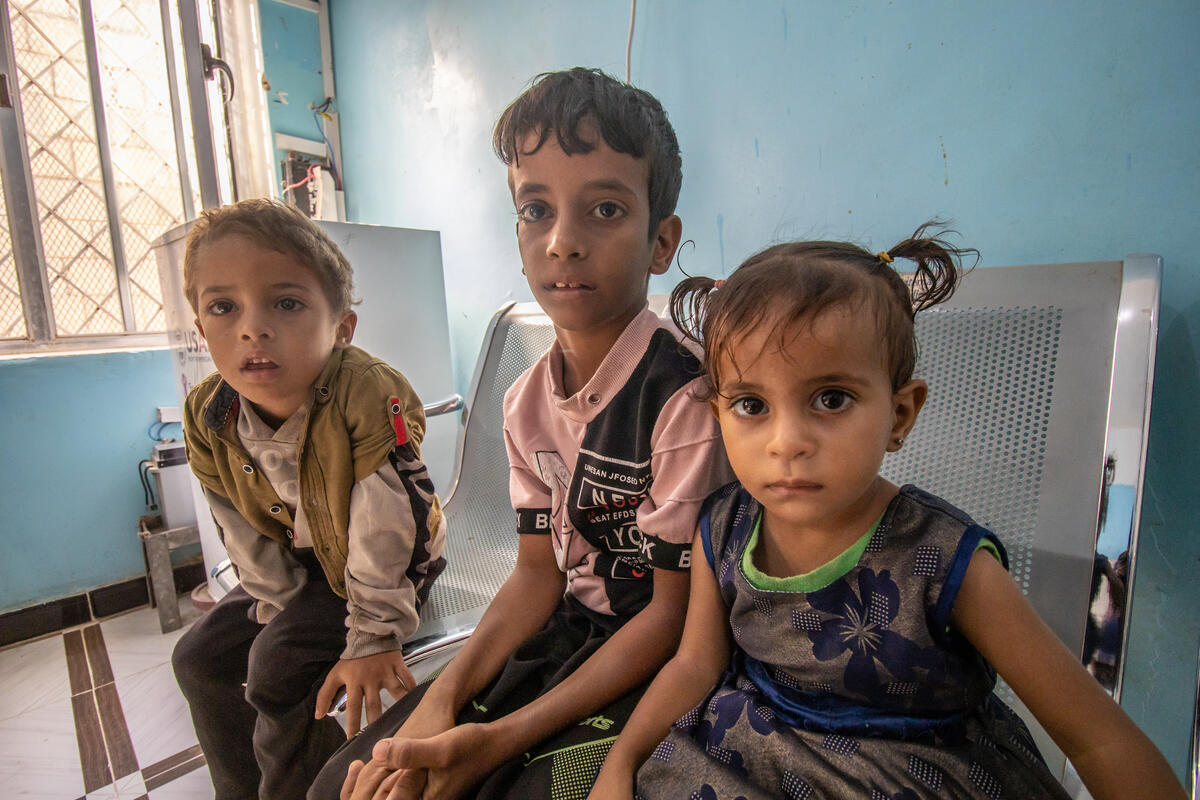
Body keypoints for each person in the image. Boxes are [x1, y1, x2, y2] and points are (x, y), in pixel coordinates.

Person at [588, 224, 1186, 800]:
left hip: (917, 773)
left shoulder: (945, 560)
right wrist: (621, 763)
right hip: (754, 756)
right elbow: (695, 666)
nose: (786, 440)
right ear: (716, 413)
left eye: (831, 399)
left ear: (900, 415)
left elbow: (1098, 738)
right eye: (751, 404)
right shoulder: (721, 528)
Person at [315, 67, 732, 800]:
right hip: (569, 633)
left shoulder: (684, 397)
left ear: (660, 241)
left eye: (605, 209)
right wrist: (442, 703)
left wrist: (496, 740)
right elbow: (537, 575)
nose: (563, 242)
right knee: (350, 780)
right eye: (536, 210)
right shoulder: (525, 404)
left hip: (665, 664)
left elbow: (671, 619)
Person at [172, 198, 447, 800]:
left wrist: (373, 635)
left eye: (287, 303)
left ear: (341, 328)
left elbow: (389, 526)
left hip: (387, 565)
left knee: (276, 668)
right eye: (224, 307)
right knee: (199, 657)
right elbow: (237, 526)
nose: (253, 327)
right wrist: (278, 610)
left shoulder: (364, 391)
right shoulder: (210, 413)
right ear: (202, 329)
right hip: (304, 569)